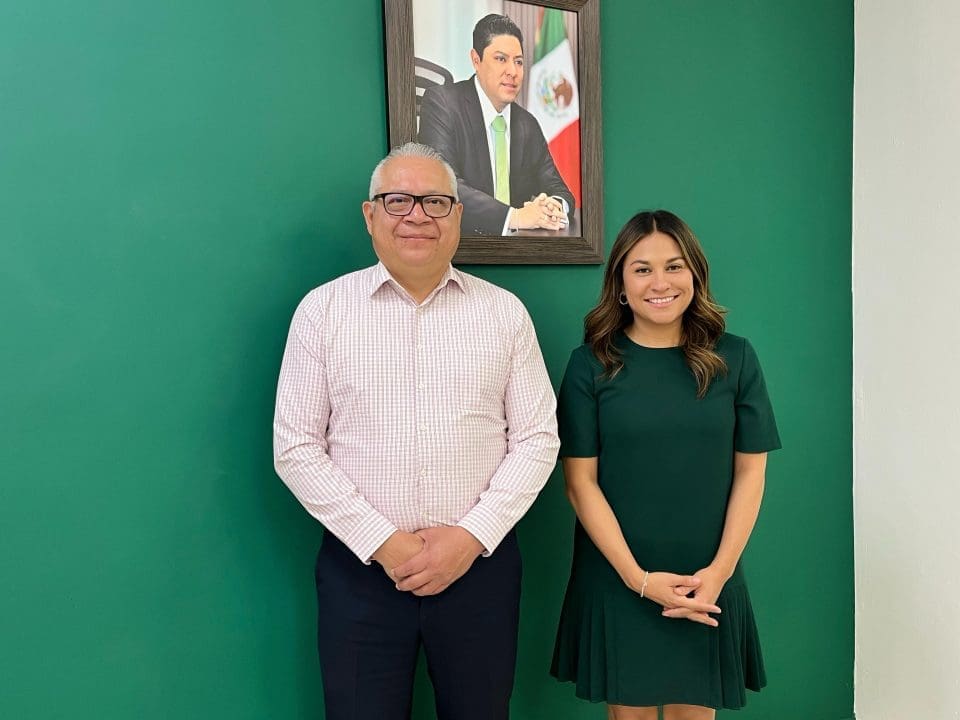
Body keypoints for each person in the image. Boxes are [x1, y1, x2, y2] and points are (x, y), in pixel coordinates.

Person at [273, 142, 559, 720]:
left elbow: (537, 439)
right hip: (360, 571)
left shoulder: (504, 313)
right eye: (397, 200)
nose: (417, 216)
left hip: (479, 568)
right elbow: (296, 447)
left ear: (458, 215)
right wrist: (386, 543)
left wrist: (470, 537)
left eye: (435, 202)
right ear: (370, 214)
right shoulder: (322, 312)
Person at [550, 210, 781, 719]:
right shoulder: (590, 365)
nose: (660, 283)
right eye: (642, 269)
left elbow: (751, 473)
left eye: (674, 266)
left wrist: (719, 573)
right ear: (620, 284)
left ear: (695, 275)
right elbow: (580, 484)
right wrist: (638, 578)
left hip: (706, 576)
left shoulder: (736, 359)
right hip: (618, 573)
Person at [418, 13, 575, 236]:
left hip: (517, 249)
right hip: (460, 245)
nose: (513, 71)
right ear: (476, 60)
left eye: (518, 62)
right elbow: (442, 185)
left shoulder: (527, 123)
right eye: (501, 59)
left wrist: (554, 206)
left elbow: (558, 188)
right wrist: (514, 217)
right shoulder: (442, 103)